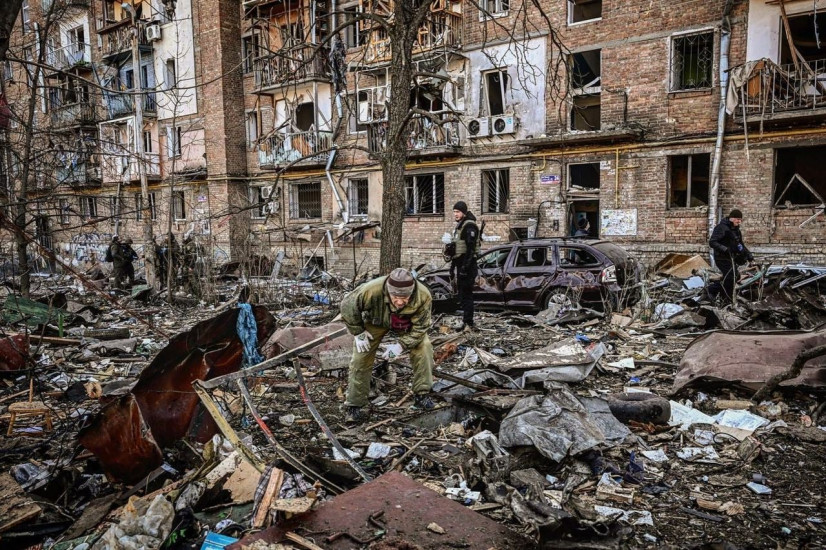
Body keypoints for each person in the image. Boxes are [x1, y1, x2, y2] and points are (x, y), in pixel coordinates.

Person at [340, 268, 435, 423]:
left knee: (424, 347)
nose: (399, 302)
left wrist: (401, 345)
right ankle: (355, 405)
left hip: (406, 325)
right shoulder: (371, 290)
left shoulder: (423, 295)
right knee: (361, 356)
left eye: (404, 298)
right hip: (375, 321)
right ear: (388, 292)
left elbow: (421, 327)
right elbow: (347, 306)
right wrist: (358, 332)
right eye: (395, 297)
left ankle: (422, 395)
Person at [708, 208, 753, 305]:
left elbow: (740, 244)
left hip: (731, 258)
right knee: (731, 277)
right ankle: (720, 295)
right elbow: (712, 242)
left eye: (740, 220)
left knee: (734, 277)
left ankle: (719, 294)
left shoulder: (736, 230)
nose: (739, 221)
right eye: (738, 219)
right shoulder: (721, 228)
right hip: (721, 258)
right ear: (731, 218)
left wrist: (748, 254)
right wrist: (725, 249)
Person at [448, 201, 479, 331]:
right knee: (462, 295)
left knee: (467, 295)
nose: (455, 214)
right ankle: (466, 321)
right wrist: (452, 268)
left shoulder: (469, 226)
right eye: (454, 212)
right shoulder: (460, 226)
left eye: (458, 212)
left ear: (464, 212)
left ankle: (469, 323)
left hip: (468, 266)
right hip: (460, 265)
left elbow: (470, 249)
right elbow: (457, 249)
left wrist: (465, 268)